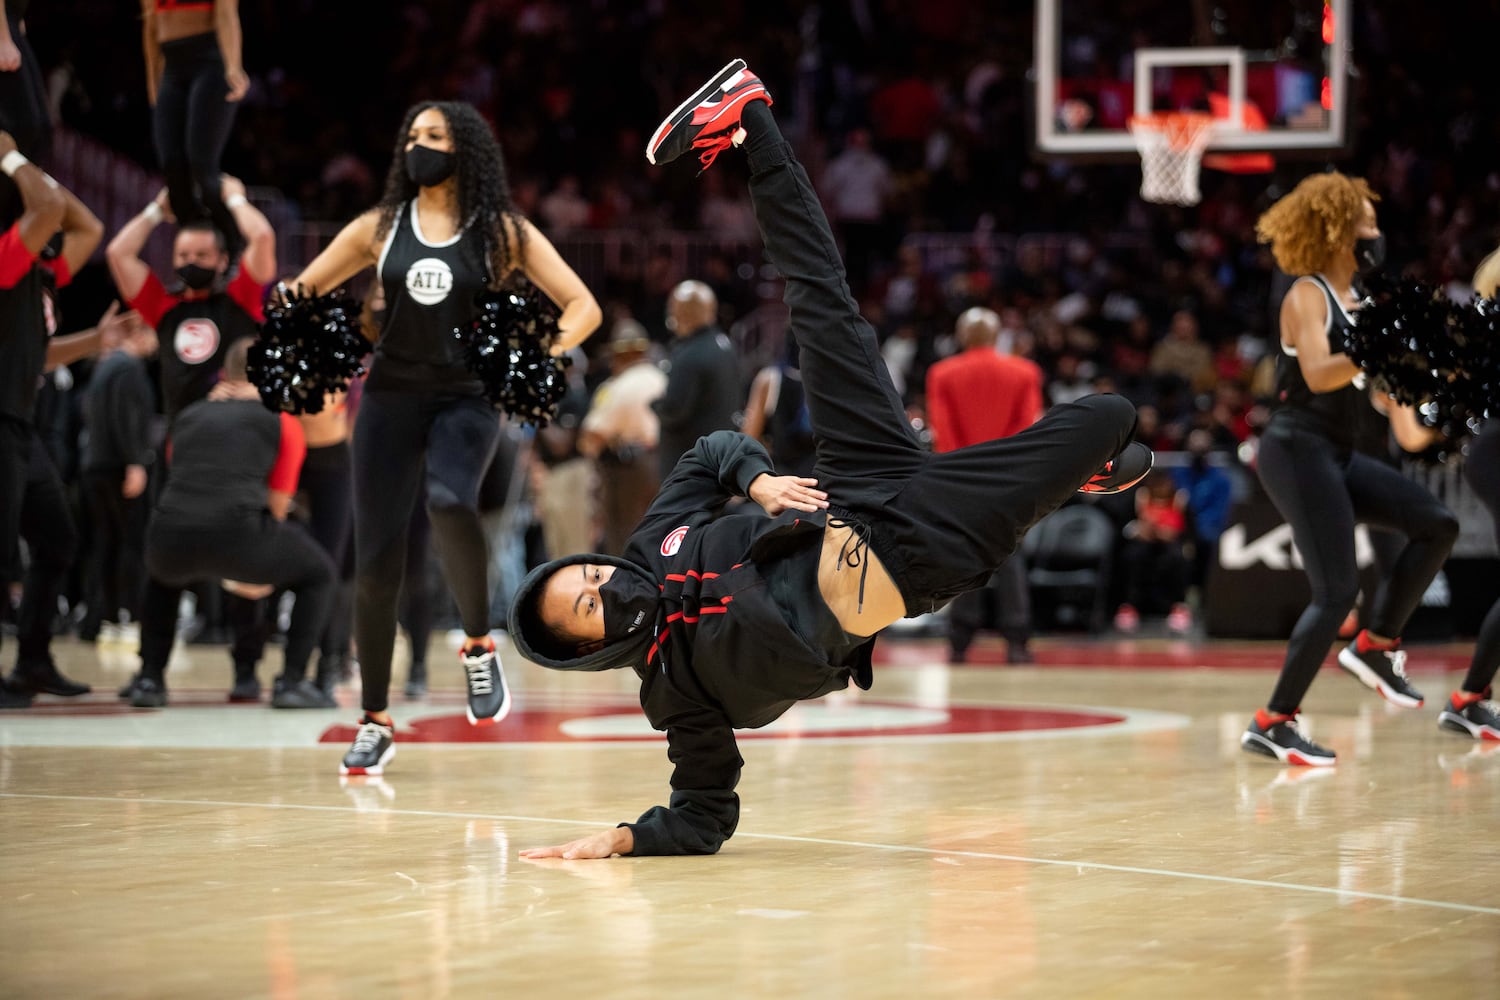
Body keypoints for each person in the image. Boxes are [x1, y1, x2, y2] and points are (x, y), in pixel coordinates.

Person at [509, 63, 1148, 859]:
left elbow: (713, 451)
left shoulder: (650, 546)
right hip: (916, 548)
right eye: (591, 608)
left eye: (591, 576)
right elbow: (704, 813)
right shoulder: (676, 696)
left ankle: (750, 119)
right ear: (588, 650)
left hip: (856, 484)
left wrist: (756, 478)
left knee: (818, 301)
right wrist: (624, 837)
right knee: (1114, 417)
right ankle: (1083, 468)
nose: (608, 587)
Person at [286, 100, 601, 774]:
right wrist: (321, 344)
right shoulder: (379, 227)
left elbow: (583, 306)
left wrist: (531, 354)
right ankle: (374, 720)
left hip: (467, 395)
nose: (418, 146)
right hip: (390, 398)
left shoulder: (501, 232)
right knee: (375, 568)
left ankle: (479, 647)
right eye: (412, 136)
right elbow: (303, 291)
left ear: (469, 151)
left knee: (449, 500)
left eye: (434, 136)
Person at [1240, 172, 1459, 767]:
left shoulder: (1360, 304)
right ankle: (1274, 720)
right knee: (1336, 590)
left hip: (1333, 452)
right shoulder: (1306, 294)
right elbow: (1317, 373)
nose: (1376, 232)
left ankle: (1377, 645)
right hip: (1293, 448)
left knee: (1437, 524)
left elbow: (1392, 393)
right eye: (1367, 221)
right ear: (1337, 230)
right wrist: (1382, 344)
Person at [126, 337, 337, 709]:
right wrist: (253, 572)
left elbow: (185, 477)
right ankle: (289, 682)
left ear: (226, 374)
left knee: (163, 576)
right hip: (238, 535)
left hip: (169, 535)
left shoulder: (189, 416)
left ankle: (150, 679)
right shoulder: (282, 421)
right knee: (319, 572)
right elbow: (276, 505)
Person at [0, 132, 110, 706]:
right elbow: (47, 210)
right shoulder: (4, 259)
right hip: (2, 420)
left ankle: (33, 661)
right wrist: (11, 157)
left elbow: (87, 225)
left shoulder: (39, 275)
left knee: (57, 539)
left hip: (24, 422)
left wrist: (96, 338)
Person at [924, 306, 1045, 664]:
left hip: (960, 478)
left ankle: (959, 641)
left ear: (963, 336)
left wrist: (960, 475)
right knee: (1009, 557)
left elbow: (943, 434)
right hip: (1009, 480)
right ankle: (1017, 642)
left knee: (964, 558)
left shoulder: (942, 373)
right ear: (995, 336)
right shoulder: (1024, 372)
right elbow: (1026, 431)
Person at [106, 174, 276, 423]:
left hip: (236, 428)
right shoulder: (163, 306)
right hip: (181, 435)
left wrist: (236, 199)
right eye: (183, 256)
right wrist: (156, 211)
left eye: (201, 255)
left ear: (223, 260)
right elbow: (118, 253)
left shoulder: (240, 298)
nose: (191, 262)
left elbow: (262, 237)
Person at [141, 0, 248, 254]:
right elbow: (150, 25)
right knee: (172, 166)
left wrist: (233, 66)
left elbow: (227, 15)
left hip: (209, 61)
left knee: (201, 165)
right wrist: (152, 82)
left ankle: (234, 246)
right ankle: (198, 253)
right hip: (172, 68)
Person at [78, 314, 159, 642]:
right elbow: (126, 417)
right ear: (141, 334)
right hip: (117, 466)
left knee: (105, 544)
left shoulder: (105, 366)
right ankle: (129, 614)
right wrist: (135, 462)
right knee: (130, 543)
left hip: (96, 464)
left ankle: (98, 618)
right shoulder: (127, 367)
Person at [579, 319, 668, 556]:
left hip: (628, 471)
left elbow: (592, 435)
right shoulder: (662, 378)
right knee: (660, 535)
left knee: (625, 538)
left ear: (619, 355)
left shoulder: (616, 387)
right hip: (664, 465)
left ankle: (629, 590)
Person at [652, 279, 741, 481]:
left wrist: (655, 404)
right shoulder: (725, 345)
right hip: (720, 461)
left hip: (689, 467)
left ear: (680, 313)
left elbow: (674, 410)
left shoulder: (690, 354)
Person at [740, 338, 816, 479]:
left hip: (783, 482)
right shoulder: (831, 379)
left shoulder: (769, 378)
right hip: (823, 484)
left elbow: (748, 441)